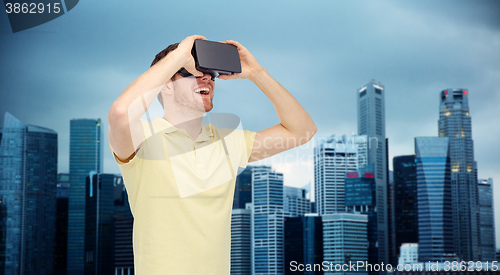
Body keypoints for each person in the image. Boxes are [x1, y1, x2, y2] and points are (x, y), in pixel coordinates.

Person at [108, 34, 316, 274]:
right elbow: (120, 113)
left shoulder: (227, 143)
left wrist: (258, 73)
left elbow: (303, 130)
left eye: (210, 73)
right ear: (165, 83)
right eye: (192, 71)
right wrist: (177, 57)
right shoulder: (142, 139)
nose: (206, 77)